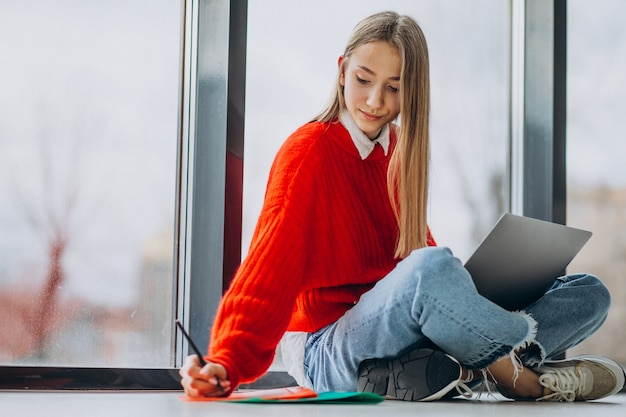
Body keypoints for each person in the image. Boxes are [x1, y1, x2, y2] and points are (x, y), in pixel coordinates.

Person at [179, 11, 625, 402]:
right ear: (341, 71)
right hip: (328, 348)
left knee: (588, 292)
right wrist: (225, 361)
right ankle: (514, 377)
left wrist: (469, 293)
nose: (375, 101)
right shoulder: (308, 152)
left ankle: (461, 370)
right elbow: (266, 270)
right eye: (364, 79)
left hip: (402, 338)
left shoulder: (398, 157)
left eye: (394, 88)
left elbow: (416, 276)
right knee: (431, 270)